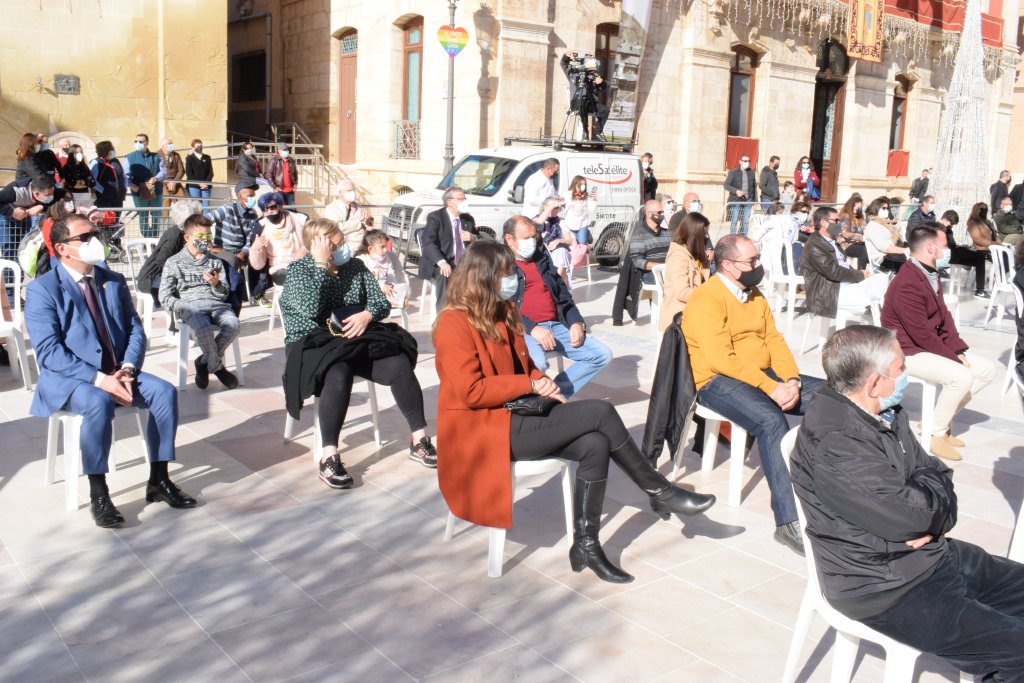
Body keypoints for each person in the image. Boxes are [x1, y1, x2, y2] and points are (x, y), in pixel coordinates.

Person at [434, 240, 715, 583]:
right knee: (599, 412)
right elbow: (470, 391)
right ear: (485, 276)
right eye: (507, 272)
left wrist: (543, 382)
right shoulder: (453, 323)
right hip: (481, 429)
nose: (513, 278)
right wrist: (531, 385)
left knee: (595, 443)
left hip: (513, 414)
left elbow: (523, 367)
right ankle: (659, 490)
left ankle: (586, 545)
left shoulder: (502, 311)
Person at [792, 324, 1024, 683]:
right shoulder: (837, 444)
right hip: (887, 586)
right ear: (873, 382)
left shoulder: (884, 410)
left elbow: (934, 473)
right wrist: (925, 512)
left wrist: (928, 516)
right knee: (1017, 653)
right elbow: (912, 515)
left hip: (926, 557)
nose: (906, 374)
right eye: (900, 368)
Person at [24, 214, 196, 527]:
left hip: (118, 369)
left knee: (163, 391)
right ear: (63, 249)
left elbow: (134, 328)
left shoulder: (111, 279)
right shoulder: (43, 290)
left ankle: (159, 479)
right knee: (98, 401)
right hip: (72, 380)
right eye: (86, 237)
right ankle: (98, 492)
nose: (96, 241)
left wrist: (128, 367)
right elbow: (50, 353)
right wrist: (101, 380)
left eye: (97, 234)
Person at [682, 234, 825, 555]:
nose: (758, 266)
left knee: (833, 396)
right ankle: (788, 523)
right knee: (772, 421)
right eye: (752, 261)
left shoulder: (753, 294)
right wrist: (771, 387)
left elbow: (773, 339)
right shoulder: (708, 298)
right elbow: (720, 359)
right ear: (729, 266)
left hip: (761, 375)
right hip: (716, 381)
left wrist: (791, 380)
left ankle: (835, 483)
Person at [281, 218, 438, 487]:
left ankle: (419, 438)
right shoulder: (299, 271)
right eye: (338, 243)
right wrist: (320, 265)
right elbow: (310, 308)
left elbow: (380, 303)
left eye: (342, 241)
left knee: (399, 363)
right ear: (318, 245)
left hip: (354, 340)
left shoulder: (354, 267)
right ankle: (329, 456)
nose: (345, 247)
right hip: (313, 344)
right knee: (338, 371)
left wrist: (366, 315)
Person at [880, 223, 995, 461]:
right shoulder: (908, 282)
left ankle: (935, 420)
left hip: (925, 346)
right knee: (961, 375)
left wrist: (959, 349)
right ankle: (935, 432)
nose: (948, 251)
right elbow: (921, 333)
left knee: (986, 370)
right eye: (944, 246)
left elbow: (945, 318)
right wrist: (955, 359)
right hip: (905, 352)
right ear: (931, 247)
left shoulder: (928, 274)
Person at [503, 215, 612, 397]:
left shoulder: (540, 257)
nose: (531, 242)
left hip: (556, 325)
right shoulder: (500, 263)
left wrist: (576, 322)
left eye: (533, 237)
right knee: (538, 364)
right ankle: (533, 400)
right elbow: (501, 306)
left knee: (601, 355)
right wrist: (533, 328)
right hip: (522, 329)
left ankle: (554, 393)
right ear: (509, 239)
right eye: (526, 238)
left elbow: (562, 294)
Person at [158, 215, 240, 389]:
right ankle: (218, 369)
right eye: (201, 237)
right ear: (187, 238)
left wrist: (216, 284)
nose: (206, 241)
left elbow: (224, 294)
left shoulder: (215, 261)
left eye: (208, 236)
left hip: (216, 305)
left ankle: (203, 362)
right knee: (203, 329)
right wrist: (183, 305)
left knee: (233, 325)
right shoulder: (174, 263)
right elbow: (164, 296)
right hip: (191, 307)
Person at [801, 205, 888, 321]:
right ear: (823, 222)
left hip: (842, 286)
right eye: (835, 221)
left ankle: (882, 320)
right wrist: (860, 275)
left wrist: (862, 274)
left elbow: (843, 264)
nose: (838, 224)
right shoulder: (815, 245)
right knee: (875, 298)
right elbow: (833, 272)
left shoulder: (831, 241)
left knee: (882, 279)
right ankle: (881, 326)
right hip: (828, 294)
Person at [417, 186, 478, 311]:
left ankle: (471, 314)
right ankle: (443, 315)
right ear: (449, 202)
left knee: (480, 275)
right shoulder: (436, 217)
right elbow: (428, 243)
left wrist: (473, 237)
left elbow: (481, 240)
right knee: (445, 273)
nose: (464, 202)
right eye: (461, 199)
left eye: (465, 198)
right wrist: (441, 262)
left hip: (463, 263)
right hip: (441, 261)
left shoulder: (468, 219)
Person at [138, 199, 204, 308]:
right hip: (151, 279)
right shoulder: (175, 236)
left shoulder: (184, 232)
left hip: (164, 274)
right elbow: (161, 261)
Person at [659, 211, 712, 332]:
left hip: (693, 310)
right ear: (695, 235)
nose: (707, 237)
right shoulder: (678, 257)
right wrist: (708, 295)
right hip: (679, 316)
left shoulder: (693, 253)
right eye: (704, 234)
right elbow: (682, 293)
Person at [248, 191, 308, 292]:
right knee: (295, 277)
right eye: (265, 209)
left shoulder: (299, 220)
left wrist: (305, 248)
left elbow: (313, 239)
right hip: (279, 266)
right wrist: (255, 249)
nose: (269, 212)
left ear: (280, 207)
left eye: (272, 207)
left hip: (303, 262)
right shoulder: (262, 227)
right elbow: (258, 265)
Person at [0, 175, 60, 264]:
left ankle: (20, 272)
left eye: (52, 193)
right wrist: (11, 211)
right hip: (7, 216)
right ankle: (9, 274)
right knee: (9, 245)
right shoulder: (15, 190)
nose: (51, 196)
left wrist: (42, 206)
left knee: (22, 245)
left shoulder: (50, 188)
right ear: (36, 194)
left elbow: (58, 198)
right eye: (48, 195)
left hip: (25, 217)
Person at [559, 50, 609, 141]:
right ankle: (586, 131)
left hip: (591, 104)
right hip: (577, 103)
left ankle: (596, 133)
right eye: (587, 60)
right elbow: (563, 64)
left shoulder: (593, 74)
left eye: (591, 61)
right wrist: (566, 56)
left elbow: (605, 86)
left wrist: (601, 82)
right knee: (582, 104)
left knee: (605, 110)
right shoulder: (574, 72)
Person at [124, 133, 167, 238]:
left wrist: (156, 178)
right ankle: (147, 238)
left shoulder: (157, 157)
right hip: (138, 192)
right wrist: (131, 185)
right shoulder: (129, 157)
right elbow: (124, 175)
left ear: (146, 143)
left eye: (140, 141)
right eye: (136, 141)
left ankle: (154, 237)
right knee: (143, 216)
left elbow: (164, 172)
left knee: (156, 215)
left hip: (156, 191)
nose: (137, 143)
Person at [941, 209, 989, 299]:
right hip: (948, 254)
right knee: (979, 257)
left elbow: (952, 243)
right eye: (950, 223)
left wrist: (959, 246)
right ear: (946, 219)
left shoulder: (948, 229)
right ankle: (980, 290)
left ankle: (980, 290)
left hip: (954, 252)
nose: (950, 226)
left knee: (980, 258)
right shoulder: (937, 228)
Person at [355, 229, 408, 311]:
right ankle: (388, 304)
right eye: (382, 247)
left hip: (385, 291)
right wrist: (382, 286)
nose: (386, 250)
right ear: (370, 249)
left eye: (386, 246)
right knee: (401, 301)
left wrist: (391, 285)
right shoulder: (362, 260)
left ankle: (392, 302)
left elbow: (391, 276)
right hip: (369, 293)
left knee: (404, 288)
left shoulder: (387, 259)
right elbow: (366, 282)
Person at [323, 179, 372, 251]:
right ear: (340, 193)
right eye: (349, 191)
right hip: (347, 248)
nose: (353, 193)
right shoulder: (332, 208)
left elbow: (366, 224)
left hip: (363, 246)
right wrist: (359, 221)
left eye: (354, 190)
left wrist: (368, 221)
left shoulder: (357, 206)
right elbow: (337, 228)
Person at [534, 196, 573, 285]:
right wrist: (549, 209)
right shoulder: (537, 219)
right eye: (553, 207)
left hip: (556, 250)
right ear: (545, 207)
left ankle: (557, 286)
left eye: (557, 208)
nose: (556, 209)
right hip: (541, 250)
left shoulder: (561, 222)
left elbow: (569, 241)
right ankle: (556, 286)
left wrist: (558, 241)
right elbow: (538, 224)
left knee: (562, 251)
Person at [863, 196, 907, 272]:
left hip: (892, 255)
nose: (886, 210)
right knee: (912, 266)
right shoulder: (873, 226)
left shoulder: (885, 224)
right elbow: (884, 247)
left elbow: (898, 228)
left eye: (887, 208)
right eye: (883, 208)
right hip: (881, 259)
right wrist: (905, 250)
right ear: (876, 209)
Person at [723, 154, 757, 234]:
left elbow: (754, 187)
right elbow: (726, 185)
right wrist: (736, 191)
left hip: (748, 201)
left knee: (745, 222)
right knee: (734, 221)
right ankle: (733, 238)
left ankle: (744, 238)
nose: (747, 162)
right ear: (740, 162)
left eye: (749, 161)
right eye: (745, 161)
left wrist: (755, 201)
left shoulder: (751, 172)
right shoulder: (733, 172)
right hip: (736, 201)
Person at [89, 140, 127, 210]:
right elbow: (92, 180)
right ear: (106, 151)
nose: (114, 150)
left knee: (116, 219)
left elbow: (123, 176)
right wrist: (103, 190)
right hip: (103, 199)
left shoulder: (116, 161)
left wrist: (124, 187)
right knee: (105, 219)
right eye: (112, 149)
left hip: (118, 198)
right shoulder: (96, 162)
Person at [561, 174, 597, 246]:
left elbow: (592, 209)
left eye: (584, 184)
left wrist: (594, 200)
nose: (583, 186)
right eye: (581, 184)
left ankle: (585, 233)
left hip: (582, 222)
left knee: (582, 241)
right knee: (574, 243)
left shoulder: (586, 196)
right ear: (575, 184)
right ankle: (586, 235)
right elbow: (561, 203)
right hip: (571, 223)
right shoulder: (568, 194)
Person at [185, 139, 213, 207]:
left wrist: (206, 183)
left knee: (206, 206)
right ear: (193, 148)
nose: (199, 147)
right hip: (194, 186)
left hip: (206, 186)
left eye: (200, 145)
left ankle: (205, 217)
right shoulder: (189, 158)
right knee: (197, 206)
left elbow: (210, 172)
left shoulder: (207, 157)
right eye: (197, 146)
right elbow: (189, 174)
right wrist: (199, 183)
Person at [158, 138, 186, 208]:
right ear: (162, 146)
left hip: (175, 180)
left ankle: (182, 218)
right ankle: (164, 218)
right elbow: (156, 171)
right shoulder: (156, 155)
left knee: (183, 200)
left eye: (171, 144)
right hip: (162, 181)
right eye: (169, 144)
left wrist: (174, 182)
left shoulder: (176, 155)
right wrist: (166, 181)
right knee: (166, 199)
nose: (171, 146)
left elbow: (181, 170)